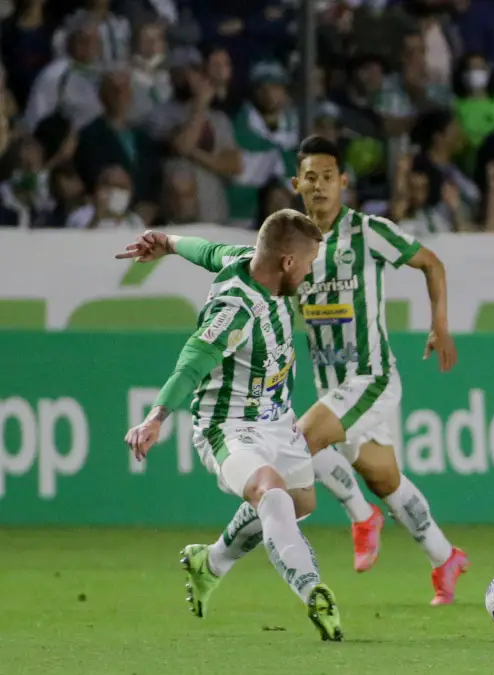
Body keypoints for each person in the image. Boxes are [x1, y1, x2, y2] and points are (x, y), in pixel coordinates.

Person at [119, 136, 469, 607]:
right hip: (329, 383)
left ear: (343, 181)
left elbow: (430, 261)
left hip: (368, 376)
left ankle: (358, 517)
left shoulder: (368, 233)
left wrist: (439, 325)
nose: (320, 186)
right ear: (297, 183)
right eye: (312, 177)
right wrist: (171, 243)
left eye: (329, 177)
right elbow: (215, 252)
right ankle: (444, 556)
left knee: (292, 448)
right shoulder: (287, 244)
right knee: (384, 477)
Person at [120, 209, 343, 641]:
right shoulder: (234, 310)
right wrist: (156, 417)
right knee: (272, 495)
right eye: (310, 264)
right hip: (229, 427)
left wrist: (166, 241)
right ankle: (314, 591)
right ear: (287, 263)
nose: (312, 273)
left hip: (278, 419)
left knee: (300, 503)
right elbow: (191, 363)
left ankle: (212, 562)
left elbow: (205, 250)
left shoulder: (244, 258)